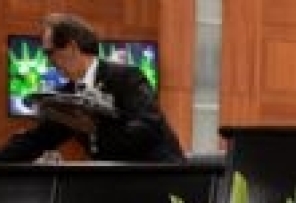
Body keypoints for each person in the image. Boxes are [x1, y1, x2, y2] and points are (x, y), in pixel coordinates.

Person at [0, 13, 183, 163]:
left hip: (160, 176)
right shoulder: (67, 95)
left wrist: (93, 130)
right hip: (114, 183)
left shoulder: (127, 77)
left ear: (71, 47)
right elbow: (38, 139)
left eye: (50, 53)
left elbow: (147, 130)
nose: (49, 62)